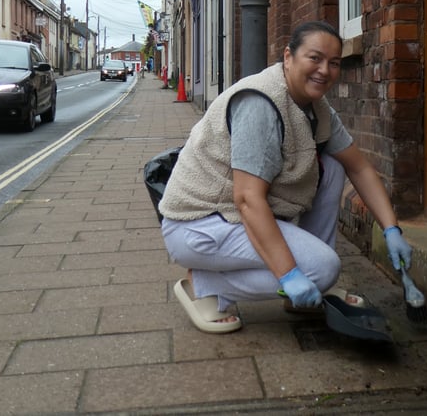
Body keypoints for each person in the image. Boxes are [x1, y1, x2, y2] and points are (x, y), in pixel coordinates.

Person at [159, 20, 413, 333]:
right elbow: (247, 199)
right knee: (326, 267)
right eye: (315, 58)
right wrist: (290, 272)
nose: (325, 70)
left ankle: (306, 289)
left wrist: (391, 229)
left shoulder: (316, 108)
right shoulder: (260, 105)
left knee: (332, 166)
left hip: (235, 216)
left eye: (334, 63)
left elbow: (358, 167)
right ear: (288, 57)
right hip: (202, 224)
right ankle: (207, 286)